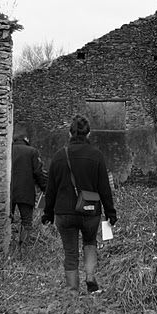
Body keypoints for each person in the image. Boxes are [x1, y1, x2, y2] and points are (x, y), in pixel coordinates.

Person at [42, 114, 117, 294]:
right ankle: (90, 277)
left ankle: (72, 289)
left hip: (64, 213)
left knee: (70, 251)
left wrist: (48, 213)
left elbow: (50, 189)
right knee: (90, 242)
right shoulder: (96, 156)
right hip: (90, 211)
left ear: (70, 134)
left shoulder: (60, 156)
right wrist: (110, 213)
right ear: (88, 134)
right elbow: (104, 188)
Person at [10, 124, 47, 250]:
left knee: (6, 219)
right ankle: (22, 249)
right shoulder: (32, 151)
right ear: (26, 139)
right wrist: (45, 188)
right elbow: (38, 172)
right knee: (26, 221)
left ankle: (6, 245)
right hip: (25, 192)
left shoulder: (7, 150)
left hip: (8, 192)